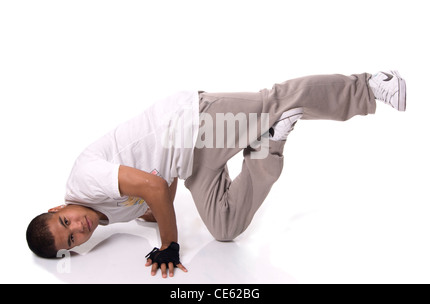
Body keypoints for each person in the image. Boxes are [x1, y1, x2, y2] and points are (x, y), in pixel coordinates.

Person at [26, 70, 406, 278]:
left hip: (193, 123)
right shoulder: (108, 216)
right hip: (191, 163)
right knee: (225, 229)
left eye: (65, 221)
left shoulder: (83, 181)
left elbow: (156, 186)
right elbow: (159, 190)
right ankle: (267, 144)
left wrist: (168, 243)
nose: (79, 228)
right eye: (73, 239)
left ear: (56, 206)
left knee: (276, 101)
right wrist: (152, 213)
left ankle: (370, 87)